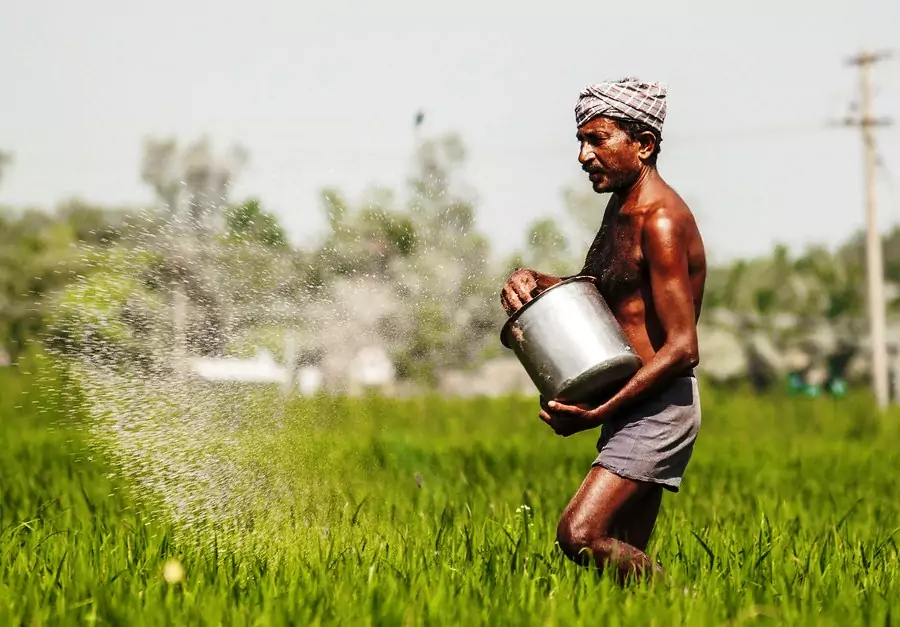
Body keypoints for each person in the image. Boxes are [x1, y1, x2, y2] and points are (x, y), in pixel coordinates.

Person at [500, 77, 707, 583]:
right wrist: (537, 281)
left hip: (657, 407)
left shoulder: (660, 221)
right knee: (625, 566)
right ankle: (672, 613)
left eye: (596, 140)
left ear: (644, 144)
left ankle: (687, 602)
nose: (583, 156)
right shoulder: (623, 207)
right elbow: (598, 287)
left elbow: (682, 349)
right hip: (632, 401)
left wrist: (595, 413)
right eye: (580, 141)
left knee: (580, 534)